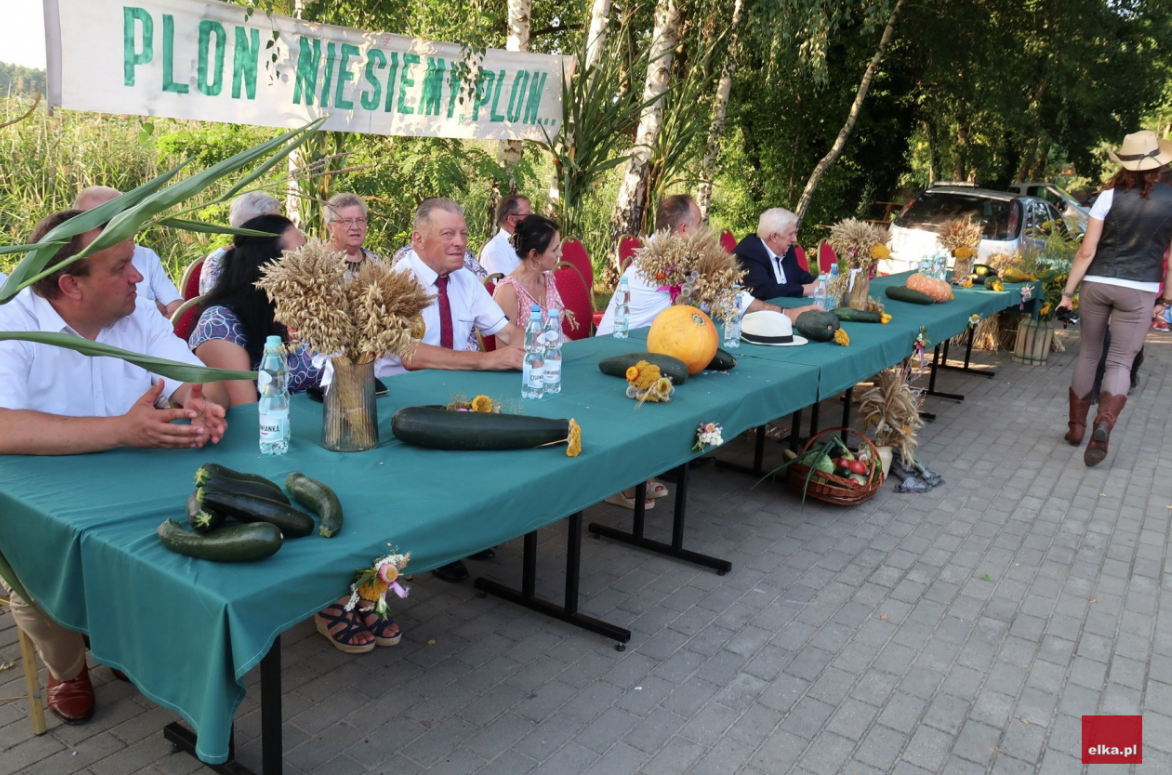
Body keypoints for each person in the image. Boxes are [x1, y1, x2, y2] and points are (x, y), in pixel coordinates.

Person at [0, 210, 230, 725]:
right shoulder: (12, 321)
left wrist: (199, 401)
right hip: (46, 500)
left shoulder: (139, 314)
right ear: (69, 285)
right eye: (122, 266)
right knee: (31, 577)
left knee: (182, 542)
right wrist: (121, 430)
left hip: (134, 494)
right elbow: (2, 428)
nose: (139, 277)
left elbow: (193, 379)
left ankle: (124, 643)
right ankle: (68, 667)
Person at [377, 198, 524, 583]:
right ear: (418, 240)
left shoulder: (464, 279)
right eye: (448, 234)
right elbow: (409, 354)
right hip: (400, 401)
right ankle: (438, 545)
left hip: (452, 391)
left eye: (463, 234)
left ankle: (465, 534)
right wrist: (488, 361)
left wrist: (536, 346)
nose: (460, 242)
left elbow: (505, 331)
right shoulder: (397, 281)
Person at [1057, 130, 1172, 467]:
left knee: (1090, 355)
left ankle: (1075, 429)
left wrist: (1067, 293)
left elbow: (1087, 250)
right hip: (1141, 289)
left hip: (1097, 283)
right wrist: (1166, 298)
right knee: (1121, 362)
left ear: (1124, 162)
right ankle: (1104, 423)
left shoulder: (1107, 196)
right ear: (1157, 164)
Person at [597, 195, 812, 336]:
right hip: (618, 348)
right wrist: (786, 314)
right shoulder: (666, 261)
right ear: (683, 230)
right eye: (700, 224)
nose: (703, 231)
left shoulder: (663, 252)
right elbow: (730, 299)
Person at [188, 215, 321, 405]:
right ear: (268, 265)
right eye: (300, 255)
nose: (312, 263)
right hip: (272, 430)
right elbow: (247, 414)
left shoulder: (296, 306)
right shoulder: (220, 323)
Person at [73, 186, 183, 317]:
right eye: (117, 223)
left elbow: (178, 309)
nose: (133, 230)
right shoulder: (72, 267)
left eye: (130, 220)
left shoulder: (146, 256)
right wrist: (155, 309)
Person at [198, 191, 282, 294]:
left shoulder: (280, 253)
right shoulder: (217, 263)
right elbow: (217, 306)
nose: (283, 229)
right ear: (252, 229)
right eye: (277, 224)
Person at [492, 215, 566, 328]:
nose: (560, 254)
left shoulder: (548, 280)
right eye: (554, 249)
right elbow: (504, 345)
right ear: (534, 255)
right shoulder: (508, 292)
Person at [734, 207, 818, 299]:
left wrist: (820, 281)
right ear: (774, 237)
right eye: (791, 234)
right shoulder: (749, 253)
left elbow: (798, 275)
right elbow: (765, 291)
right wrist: (805, 289)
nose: (795, 239)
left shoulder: (787, 249)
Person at [325, 192, 382, 273]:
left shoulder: (375, 262)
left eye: (360, 220)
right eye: (347, 221)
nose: (355, 227)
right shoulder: (316, 264)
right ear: (331, 227)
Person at [479, 194, 532, 277]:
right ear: (512, 220)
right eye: (527, 215)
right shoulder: (495, 250)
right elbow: (509, 287)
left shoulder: (530, 242)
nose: (533, 219)